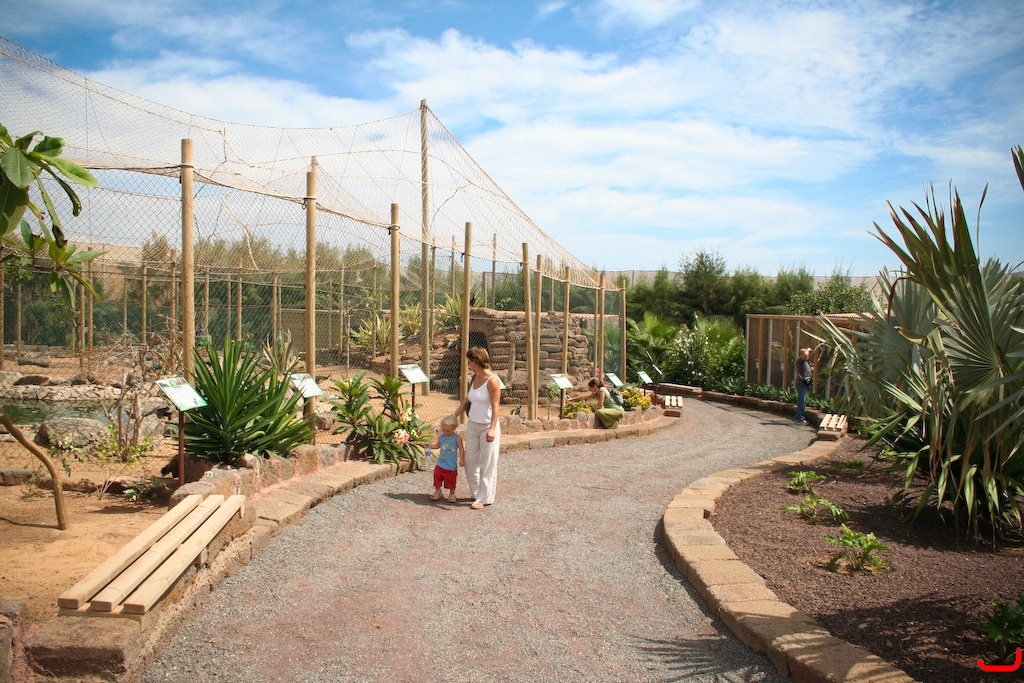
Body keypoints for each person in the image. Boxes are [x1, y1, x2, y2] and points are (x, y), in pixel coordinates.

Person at [453, 347, 501, 510]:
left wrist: (492, 429)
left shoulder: (493, 380)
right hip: (473, 424)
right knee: (470, 461)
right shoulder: (475, 377)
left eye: (470, 362)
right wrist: (454, 415)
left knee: (487, 463)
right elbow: (468, 399)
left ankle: (484, 497)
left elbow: (495, 407)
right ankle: (476, 492)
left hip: (487, 425)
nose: (469, 364)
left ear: (476, 361)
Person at [426, 413, 464, 503]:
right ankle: (438, 490)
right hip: (440, 463)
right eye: (444, 430)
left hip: (451, 465)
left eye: (448, 431)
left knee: (451, 479)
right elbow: (437, 445)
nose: (446, 433)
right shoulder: (441, 436)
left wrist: (462, 460)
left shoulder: (457, 438)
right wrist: (428, 445)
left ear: (454, 428)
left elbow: (461, 449)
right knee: (437, 476)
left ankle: (452, 493)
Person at [794, 347, 812, 423]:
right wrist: (808, 349)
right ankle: (799, 418)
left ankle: (800, 417)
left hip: (805, 385)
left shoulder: (805, 363)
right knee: (802, 401)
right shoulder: (800, 361)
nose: (808, 356)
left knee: (803, 401)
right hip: (801, 384)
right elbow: (805, 355)